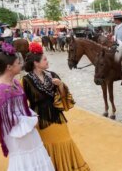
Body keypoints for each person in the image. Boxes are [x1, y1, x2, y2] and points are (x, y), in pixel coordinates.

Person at [22, 42, 89, 170]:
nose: (47, 61)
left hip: (57, 115)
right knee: (46, 145)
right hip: (40, 119)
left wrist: (60, 85)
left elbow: (64, 98)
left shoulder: (52, 75)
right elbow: (21, 103)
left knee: (65, 140)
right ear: (36, 63)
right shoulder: (25, 80)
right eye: (45, 59)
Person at [0, 43, 54, 171]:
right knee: (25, 160)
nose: (21, 64)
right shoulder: (1, 90)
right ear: (9, 67)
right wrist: (28, 121)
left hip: (27, 127)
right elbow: (7, 118)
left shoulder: (15, 82)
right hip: (18, 132)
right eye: (17, 63)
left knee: (36, 156)